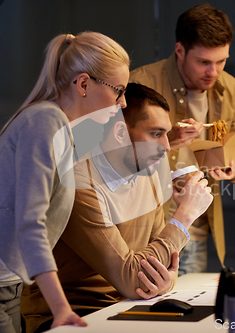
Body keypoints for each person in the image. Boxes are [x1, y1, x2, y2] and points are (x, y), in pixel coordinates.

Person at [0, 31, 130, 333]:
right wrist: (60, 307)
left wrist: (167, 141)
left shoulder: (65, 128)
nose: (123, 102)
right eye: (119, 91)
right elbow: (30, 222)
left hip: (4, 287)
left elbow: (113, 159)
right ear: (84, 84)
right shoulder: (45, 122)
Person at [21, 83, 213, 333]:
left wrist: (166, 281)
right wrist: (185, 215)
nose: (167, 146)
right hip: (72, 316)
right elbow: (133, 277)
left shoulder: (149, 173)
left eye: (166, 134)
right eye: (156, 134)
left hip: (129, 304)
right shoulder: (78, 184)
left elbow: (159, 261)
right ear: (120, 133)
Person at [130, 4, 235, 275]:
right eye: (204, 62)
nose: (214, 71)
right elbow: (113, 158)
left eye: (221, 61)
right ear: (180, 51)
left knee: (185, 309)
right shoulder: (141, 85)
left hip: (196, 229)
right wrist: (168, 139)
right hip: (149, 228)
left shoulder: (230, 90)